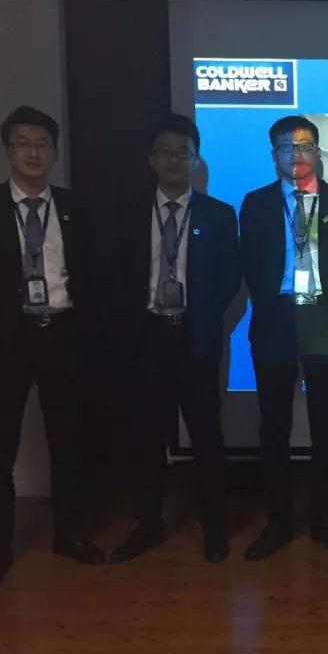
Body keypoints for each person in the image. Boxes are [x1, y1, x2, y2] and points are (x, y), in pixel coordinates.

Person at [0, 105, 106, 588]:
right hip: (6, 340)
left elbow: (95, 272)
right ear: (7, 151)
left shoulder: (75, 208)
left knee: (69, 441)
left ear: (55, 152)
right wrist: (4, 314)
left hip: (63, 335)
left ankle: (70, 534)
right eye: (23, 143)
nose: (33, 153)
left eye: (42, 144)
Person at [109, 114, 240, 564]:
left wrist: (199, 313)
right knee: (146, 437)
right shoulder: (128, 212)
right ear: (151, 158)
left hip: (194, 337)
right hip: (145, 339)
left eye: (183, 152)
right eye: (165, 151)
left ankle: (214, 527)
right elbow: (115, 275)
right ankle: (147, 524)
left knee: (206, 436)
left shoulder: (218, 215)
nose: (173, 159)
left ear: (196, 159)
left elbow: (229, 279)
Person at [239, 116, 328, 559]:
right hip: (276, 321)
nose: (296, 155)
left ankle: (325, 519)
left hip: (324, 321)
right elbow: (251, 265)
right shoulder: (256, 203)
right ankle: (278, 521)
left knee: (326, 426)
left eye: (305, 146)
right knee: (274, 427)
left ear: (318, 153)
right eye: (286, 147)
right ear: (274, 155)